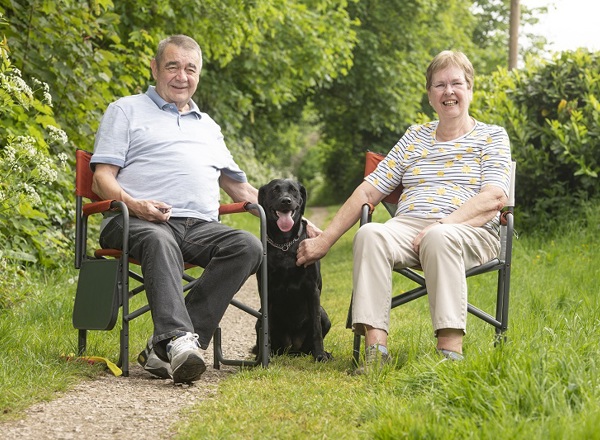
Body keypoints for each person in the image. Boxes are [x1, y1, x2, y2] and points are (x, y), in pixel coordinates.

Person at [90, 35, 320, 383]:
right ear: (154, 68)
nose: (182, 76)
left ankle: (170, 345)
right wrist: (136, 205)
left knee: (248, 246)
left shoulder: (208, 126)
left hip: (199, 227)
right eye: (172, 66)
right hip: (134, 220)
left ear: (198, 75)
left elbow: (240, 188)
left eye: (190, 68)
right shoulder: (125, 110)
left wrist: (295, 221)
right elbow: (101, 179)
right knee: (159, 239)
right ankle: (180, 340)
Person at [297, 50, 512, 371]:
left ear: (470, 89)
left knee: (440, 236)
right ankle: (376, 352)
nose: (448, 92)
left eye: (456, 83)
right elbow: (369, 190)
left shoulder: (491, 136)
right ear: (429, 95)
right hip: (409, 227)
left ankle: (449, 354)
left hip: (470, 231)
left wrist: (444, 223)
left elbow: (495, 197)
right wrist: (325, 239)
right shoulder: (415, 136)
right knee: (371, 233)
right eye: (439, 85)